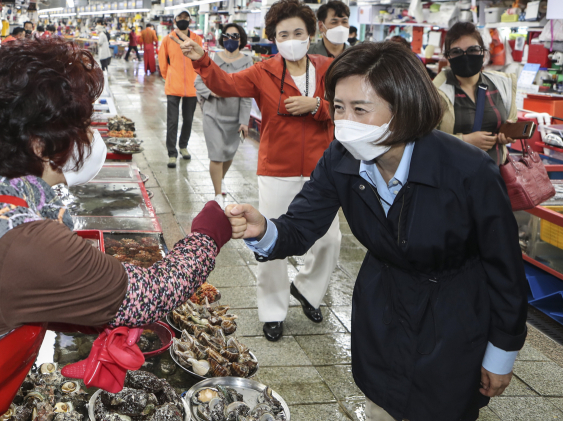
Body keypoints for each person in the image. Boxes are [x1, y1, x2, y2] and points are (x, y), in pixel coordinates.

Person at [0, 37, 232, 420]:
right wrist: (207, 235)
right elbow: (152, 294)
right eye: (79, 125)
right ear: (39, 143)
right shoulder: (24, 240)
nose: (86, 136)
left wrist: (79, 310)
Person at [226, 41, 528, 421]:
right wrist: (264, 228)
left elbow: (505, 269)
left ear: (402, 108)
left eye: (359, 109)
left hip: (453, 316)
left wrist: (501, 353)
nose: (344, 121)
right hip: (381, 308)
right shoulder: (340, 158)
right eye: (338, 107)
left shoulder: (466, 170)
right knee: (381, 404)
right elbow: (301, 225)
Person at [171, 0, 342, 342]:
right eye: (283, 33)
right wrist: (202, 59)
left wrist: (318, 106)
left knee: (330, 240)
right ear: (273, 39)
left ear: (311, 33)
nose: (291, 38)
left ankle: (307, 290)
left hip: (323, 170)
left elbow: (346, 107)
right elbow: (225, 85)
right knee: (271, 240)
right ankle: (273, 311)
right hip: (277, 169)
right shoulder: (264, 71)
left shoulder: (328, 68)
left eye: (298, 31)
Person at [433, 22, 517, 166]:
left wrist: (507, 135)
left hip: (495, 178)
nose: (465, 56)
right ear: (448, 58)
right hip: (452, 179)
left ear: (483, 53)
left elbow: (511, 121)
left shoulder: (503, 84)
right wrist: (464, 141)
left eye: (473, 50)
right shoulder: (434, 93)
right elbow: (423, 139)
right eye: (457, 52)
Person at [194, 23, 253, 208]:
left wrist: (244, 121)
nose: (230, 40)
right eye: (227, 36)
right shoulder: (213, 58)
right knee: (216, 154)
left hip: (234, 117)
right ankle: (218, 194)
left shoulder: (247, 62)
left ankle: (219, 180)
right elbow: (198, 82)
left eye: (235, 36)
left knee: (228, 154)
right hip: (213, 113)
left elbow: (247, 94)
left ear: (241, 39)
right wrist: (213, 92)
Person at [159, 8, 204, 168]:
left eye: (186, 17)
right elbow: (162, 63)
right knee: (172, 121)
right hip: (173, 86)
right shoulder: (168, 39)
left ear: (190, 20)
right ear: (175, 20)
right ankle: (172, 153)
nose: (183, 19)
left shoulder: (197, 39)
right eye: (180, 17)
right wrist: (169, 77)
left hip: (192, 87)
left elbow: (201, 61)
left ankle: (183, 146)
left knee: (189, 120)